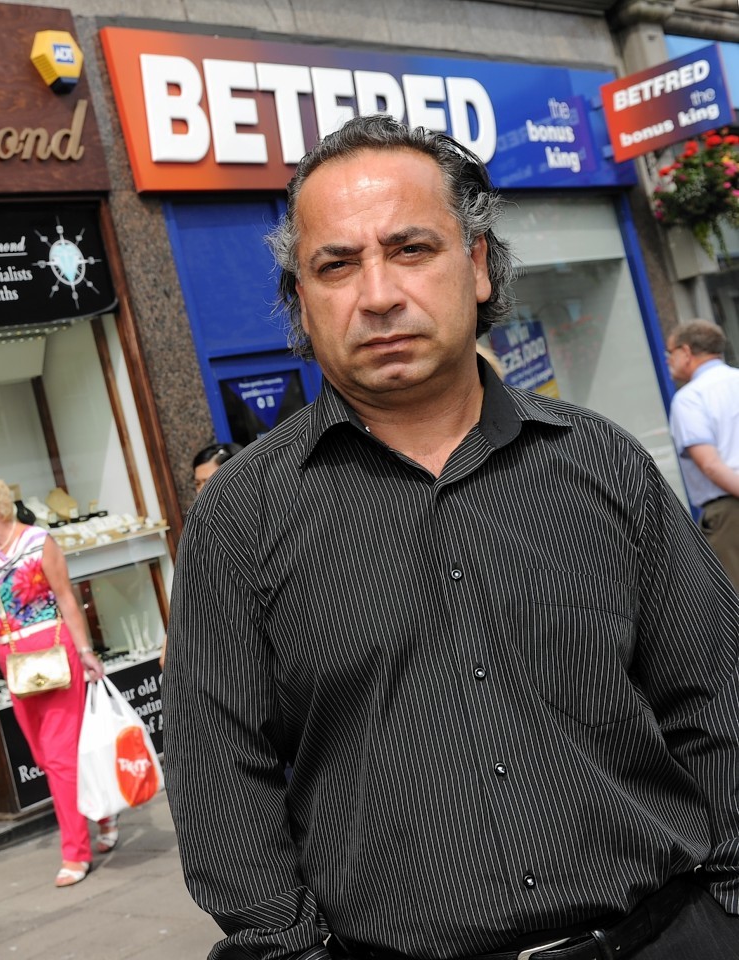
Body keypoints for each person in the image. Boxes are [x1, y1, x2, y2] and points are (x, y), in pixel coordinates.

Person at [164, 114, 739, 960]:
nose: (378, 293)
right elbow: (218, 773)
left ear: (475, 266)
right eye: (336, 264)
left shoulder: (600, 465)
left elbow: (715, 695)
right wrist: (285, 946)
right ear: (301, 302)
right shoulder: (241, 516)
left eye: (410, 249)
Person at [0, 471, 116, 888]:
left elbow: (66, 597)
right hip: (13, 659)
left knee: (61, 757)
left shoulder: (37, 542)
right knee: (47, 758)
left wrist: (85, 652)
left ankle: (75, 853)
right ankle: (102, 812)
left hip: (52, 648)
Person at [666, 319, 739, 591]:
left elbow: (710, 465)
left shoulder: (690, 398)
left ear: (686, 352)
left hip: (729, 513)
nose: (668, 361)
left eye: (670, 353)